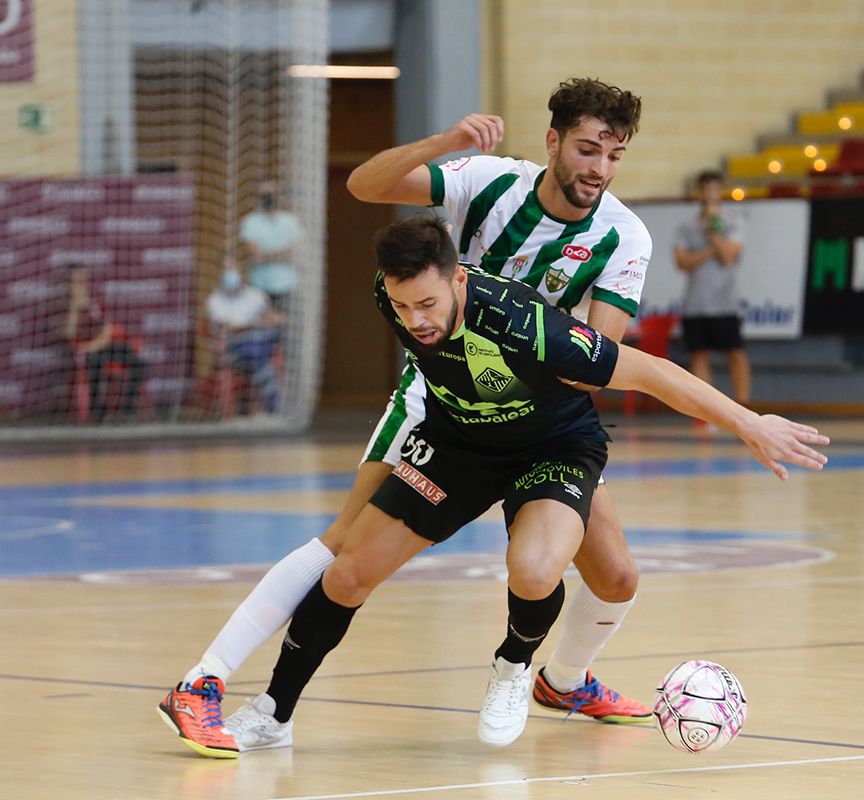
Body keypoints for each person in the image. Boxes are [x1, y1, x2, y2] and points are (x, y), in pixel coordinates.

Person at [161, 216, 828, 754]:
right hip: (459, 444)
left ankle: (515, 668)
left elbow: (648, 371)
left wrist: (747, 422)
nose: (416, 318)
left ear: (458, 278)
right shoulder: (389, 297)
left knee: (537, 570)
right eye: (402, 305)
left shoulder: (524, 322)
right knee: (347, 573)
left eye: (428, 302)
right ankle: (274, 712)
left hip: (553, 446)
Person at [159, 77, 658, 758]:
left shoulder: (624, 236)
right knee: (345, 547)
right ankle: (205, 682)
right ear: (553, 142)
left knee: (617, 577)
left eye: (613, 154)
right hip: (442, 398)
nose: (598, 167)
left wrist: (517, 329)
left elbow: (595, 357)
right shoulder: (488, 181)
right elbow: (367, 185)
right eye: (587, 149)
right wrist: (450, 143)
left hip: (535, 416)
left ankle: (563, 680)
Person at [672, 171, 751, 404]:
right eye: (705, 190)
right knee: (699, 354)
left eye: (714, 189)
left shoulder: (734, 221)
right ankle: (705, 409)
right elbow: (682, 262)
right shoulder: (686, 225)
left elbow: (728, 256)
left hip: (724, 302)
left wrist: (712, 231)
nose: (709, 195)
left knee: (735, 353)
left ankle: (743, 405)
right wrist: (710, 250)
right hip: (696, 303)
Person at [62, 263, 146, 422]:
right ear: (69, 282)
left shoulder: (96, 299)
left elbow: (108, 329)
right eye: (77, 281)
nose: (82, 284)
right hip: (83, 352)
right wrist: (75, 307)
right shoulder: (64, 303)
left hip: (100, 346)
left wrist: (95, 345)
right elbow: (69, 334)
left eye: (84, 280)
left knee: (139, 363)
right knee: (94, 363)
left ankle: (128, 410)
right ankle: (98, 412)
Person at [205, 256, 284, 413]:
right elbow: (229, 328)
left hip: (262, 343)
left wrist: (269, 320)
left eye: (233, 269)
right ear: (219, 274)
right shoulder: (214, 300)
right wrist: (255, 323)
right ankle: (272, 405)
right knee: (253, 347)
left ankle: (269, 403)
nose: (230, 274)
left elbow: (274, 319)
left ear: (241, 272)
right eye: (226, 270)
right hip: (233, 349)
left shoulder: (255, 295)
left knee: (261, 342)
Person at [239, 180, 303, 312]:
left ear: (280, 195)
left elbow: (296, 253)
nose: (269, 198)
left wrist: (267, 254)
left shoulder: (291, 221)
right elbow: (257, 256)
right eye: (265, 194)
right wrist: (283, 254)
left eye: (273, 193)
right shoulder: (251, 221)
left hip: (288, 285)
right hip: (259, 287)